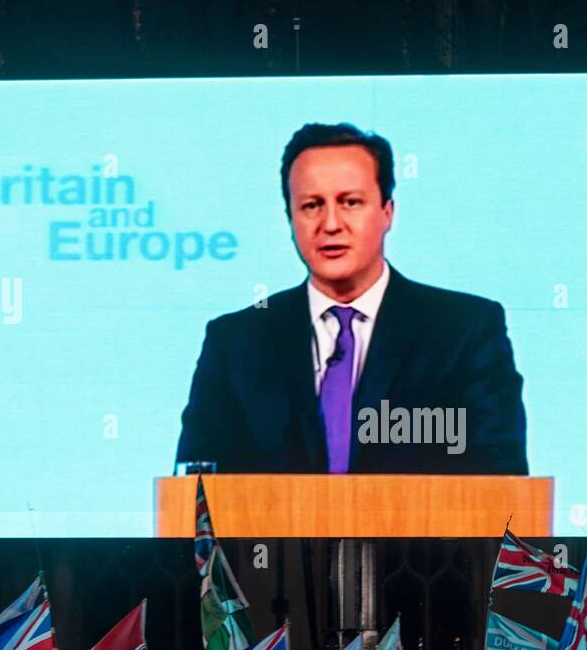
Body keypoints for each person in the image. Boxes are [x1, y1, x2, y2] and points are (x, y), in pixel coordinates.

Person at [176, 123, 527, 476]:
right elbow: (197, 488)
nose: (330, 224)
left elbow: (502, 476)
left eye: (350, 202)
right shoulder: (237, 341)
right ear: (290, 219)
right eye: (312, 205)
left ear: (387, 212)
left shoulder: (463, 330)